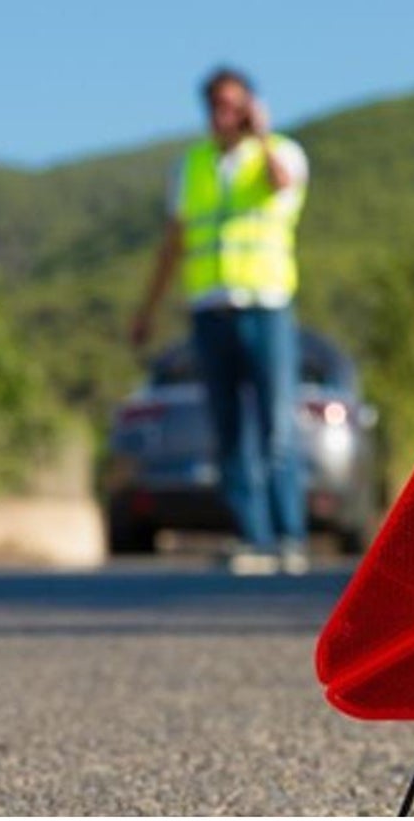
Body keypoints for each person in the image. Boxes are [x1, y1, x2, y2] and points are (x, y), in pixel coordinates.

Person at [131, 67, 310, 575]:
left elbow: (282, 185)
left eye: (233, 104)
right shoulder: (192, 167)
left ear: (251, 106)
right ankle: (253, 538)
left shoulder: (281, 152)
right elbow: (174, 243)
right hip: (210, 310)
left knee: (277, 425)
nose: (223, 114)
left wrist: (262, 135)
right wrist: (146, 310)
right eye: (215, 105)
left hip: (266, 305)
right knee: (229, 431)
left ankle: (289, 538)